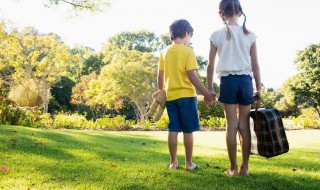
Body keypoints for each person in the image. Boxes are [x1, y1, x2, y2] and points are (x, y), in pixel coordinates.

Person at [206, 0, 262, 176]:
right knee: (244, 126)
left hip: (228, 82)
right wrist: (258, 88)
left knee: (231, 126)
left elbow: (210, 66)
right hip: (246, 82)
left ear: (221, 14)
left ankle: (232, 168)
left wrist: (209, 89)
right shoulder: (250, 35)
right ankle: (244, 168)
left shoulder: (216, 35)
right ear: (240, 12)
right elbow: (255, 65)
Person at [158, 19, 215, 170]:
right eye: (190, 36)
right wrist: (206, 94)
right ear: (186, 33)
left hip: (170, 97)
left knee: (173, 129)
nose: (189, 40)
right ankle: (189, 164)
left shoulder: (164, 52)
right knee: (188, 130)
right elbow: (192, 75)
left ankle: (173, 162)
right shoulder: (188, 51)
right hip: (187, 97)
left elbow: (160, 76)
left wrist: (161, 93)